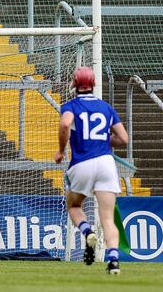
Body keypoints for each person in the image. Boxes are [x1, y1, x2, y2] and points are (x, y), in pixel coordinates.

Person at [55, 66, 128, 275]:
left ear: (74, 84)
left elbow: (65, 124)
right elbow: (123, 138)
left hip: (82, 163)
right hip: (106, 163)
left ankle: (87, 232)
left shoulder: (70, 106)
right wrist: (105, 140)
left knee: (74, 205)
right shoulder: (106, 107)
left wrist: (61, 150)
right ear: (93, 84)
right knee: (107, 217)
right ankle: (113, 260)